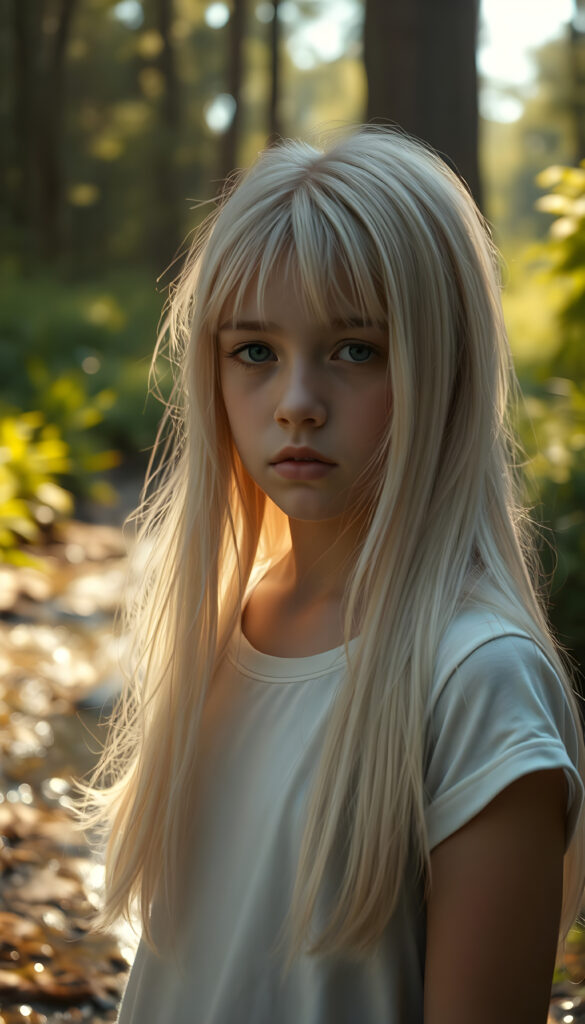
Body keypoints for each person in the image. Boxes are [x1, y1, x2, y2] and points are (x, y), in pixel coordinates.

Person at [83, 126, 585, 1024]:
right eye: (254, 352)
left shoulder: (476, 681)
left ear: (446, 367)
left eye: (355, 349)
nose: (296, 402)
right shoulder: (218, 624)